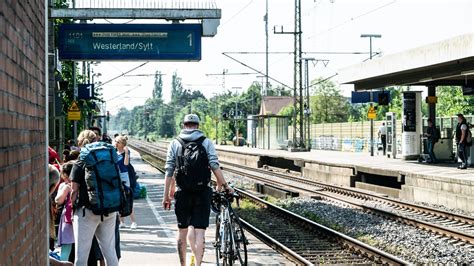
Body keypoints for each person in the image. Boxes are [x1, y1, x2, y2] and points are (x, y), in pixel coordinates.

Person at [162, 114, 234, 266]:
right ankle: (199, 264)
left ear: (184, 125)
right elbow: (214, 165)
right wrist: (225, 186)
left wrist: (166, 196)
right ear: (197, 125)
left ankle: (183, 264)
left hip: (182, 192)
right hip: (202, 191)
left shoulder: (175, 143)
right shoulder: (206, 142)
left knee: (182, 231)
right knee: (200, 231)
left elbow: (169, 170)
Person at [70, 130, 119, 266]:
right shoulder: (108, 157)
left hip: (87, 212)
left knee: (81, 256)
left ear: (80, 143)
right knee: (110, 252)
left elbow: (73, 191)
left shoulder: (80, 162)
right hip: (109, 209)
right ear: (96, 139)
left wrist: (71, 208)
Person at [115, 135, 137, 229]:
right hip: (117, 176)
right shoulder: (114, 153)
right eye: (115, 141)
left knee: (127, 198)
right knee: (119, 200)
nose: (115, 143)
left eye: (117, 142)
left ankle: (133, 222)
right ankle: (122, 222)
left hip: (124, 176)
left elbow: (126, 164)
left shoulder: (125, 153)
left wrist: (127, 153)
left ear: (122, 144)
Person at [55, 162, 75, 262]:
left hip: (68, 220)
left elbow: (58, 200)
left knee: (66, 248)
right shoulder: (80, 184)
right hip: (80, 217)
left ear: (65, 175)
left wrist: (65, 189)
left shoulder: (65, 186)